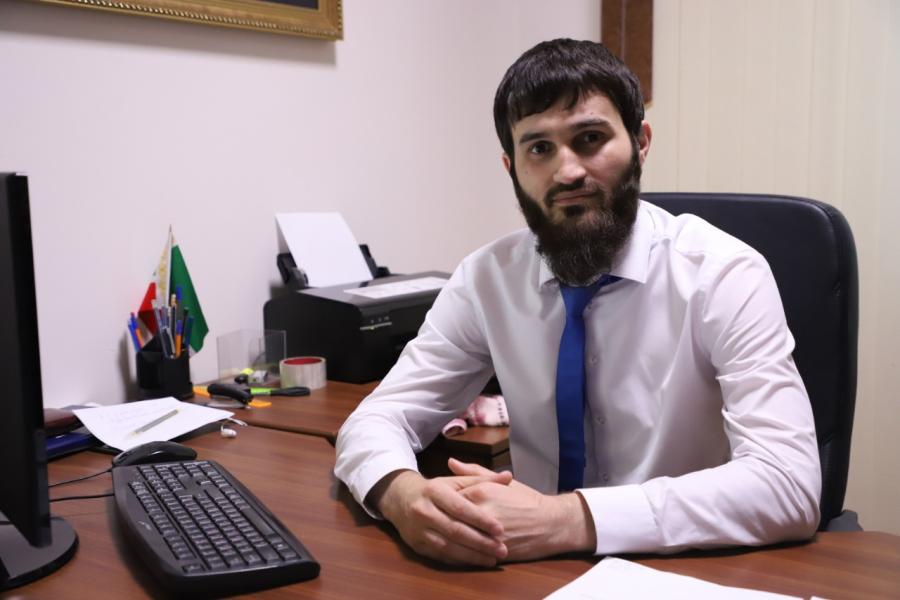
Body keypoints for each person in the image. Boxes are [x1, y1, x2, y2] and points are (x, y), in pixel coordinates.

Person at [334, 38, 821, 567]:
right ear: (511, 167)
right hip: (528, 571)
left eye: (590, 139)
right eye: (539, 148)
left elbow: (788, 483)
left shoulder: (723, 273)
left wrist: (565, 519)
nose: (566, 172)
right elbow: (376, 419)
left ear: (640, 143)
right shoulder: (487, 279)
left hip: (682, 568)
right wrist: (402, 494)